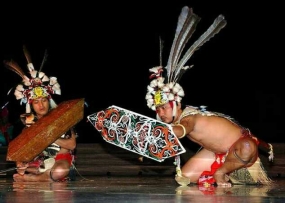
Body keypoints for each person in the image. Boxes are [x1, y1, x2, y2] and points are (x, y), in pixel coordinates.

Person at [145, 6, 273, 187]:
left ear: (177, 104)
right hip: (216, 152)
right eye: (158, 109)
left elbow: (182, 130)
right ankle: (222, 171)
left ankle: (221, 172)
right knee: (185, 177)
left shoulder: (190, 117)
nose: (161, 112)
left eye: (164, 107)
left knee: (247, 146)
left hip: (240, 148)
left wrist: (155, 132)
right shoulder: (177, 120)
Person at [4, 45, 77, 182]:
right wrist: (22, 162)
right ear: (31, 105)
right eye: (36, 102)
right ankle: (39, 176)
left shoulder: (61, 115)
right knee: (20, 166)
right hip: (40, 163)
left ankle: (36, 179)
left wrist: (47, 135)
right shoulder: (29, 120)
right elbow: (23, 149)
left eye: (43, 100)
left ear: (49, 100)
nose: (41, 105)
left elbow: (71, 145)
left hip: (60, 160)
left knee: (60, 170)